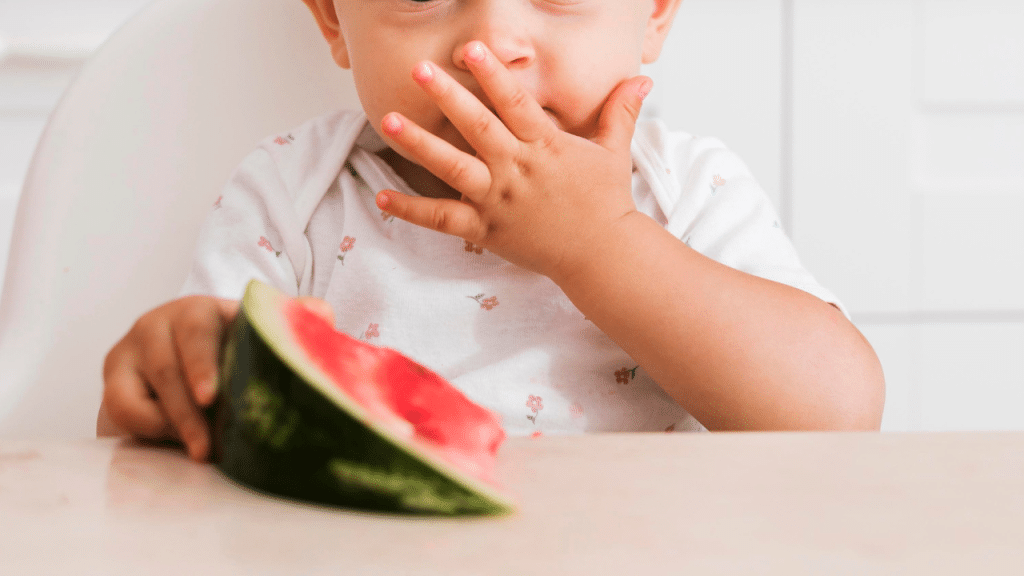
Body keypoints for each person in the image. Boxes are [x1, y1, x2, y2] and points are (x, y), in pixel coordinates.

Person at [99, 0, 886, 461]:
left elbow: (836, 417)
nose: (491, 46)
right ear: (334, 19)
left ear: (654, 14)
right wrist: (172, 373)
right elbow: (170, 454)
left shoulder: (683, 191)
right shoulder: (293, 194)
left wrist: (602, 242)